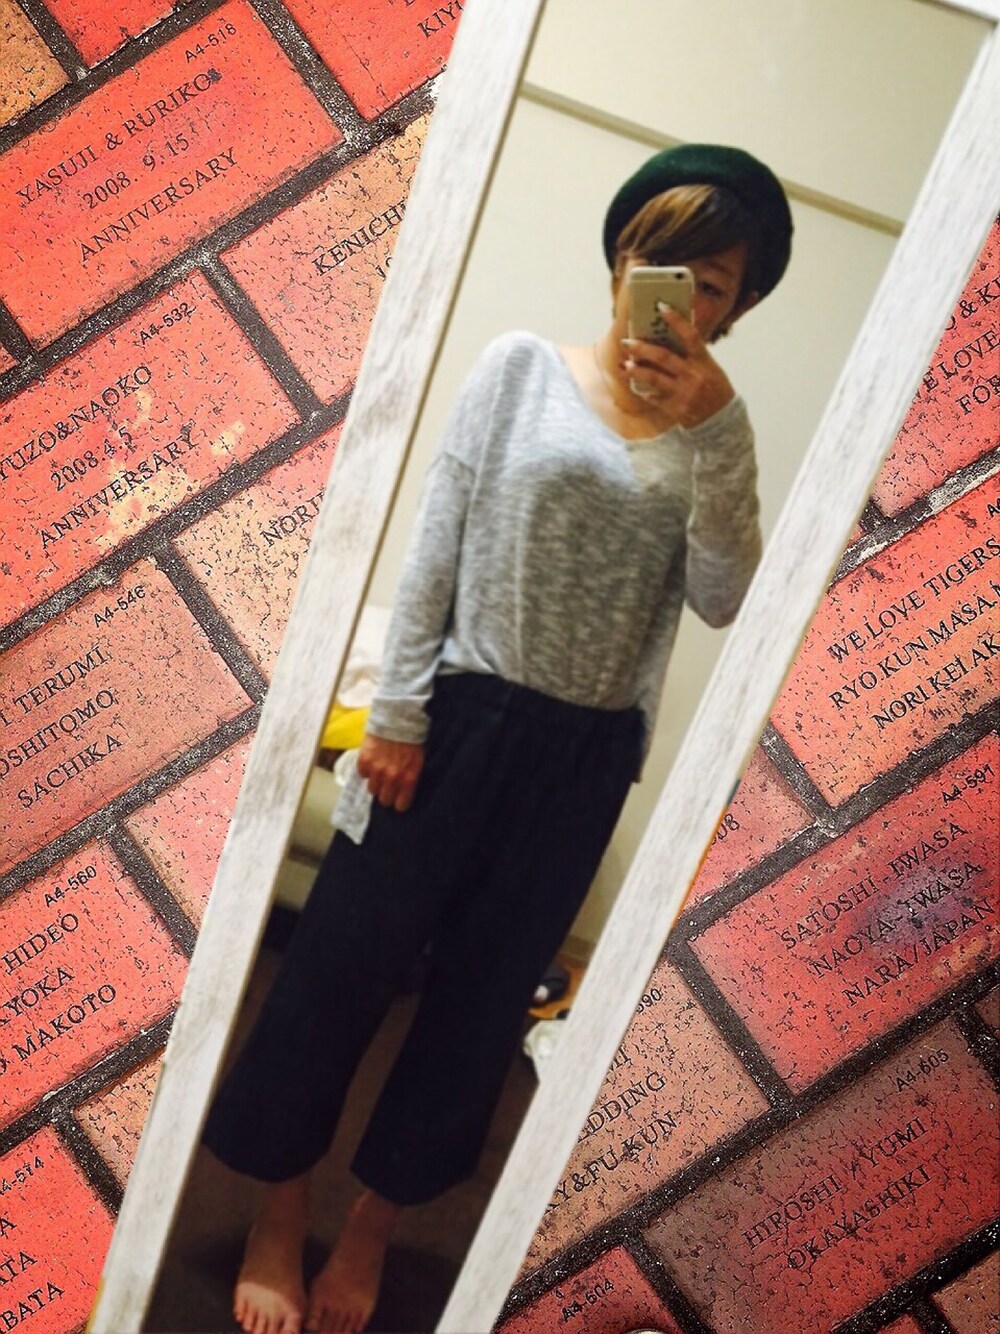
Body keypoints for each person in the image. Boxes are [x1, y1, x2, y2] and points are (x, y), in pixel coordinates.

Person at [201, 143, 793, 1334]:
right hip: (454, 722)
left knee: (477, 1012)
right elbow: (436, 545)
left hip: (582, 760)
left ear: (735, 309)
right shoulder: (520, 368)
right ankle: (278, 1210)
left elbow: (726, 596)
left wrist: (721, 431)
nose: (682, 293)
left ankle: (369, 1232)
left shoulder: (711, 440)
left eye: (714, 283)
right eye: (664, 260)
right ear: (623, 258)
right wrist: (400, 714)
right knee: (334, 972)